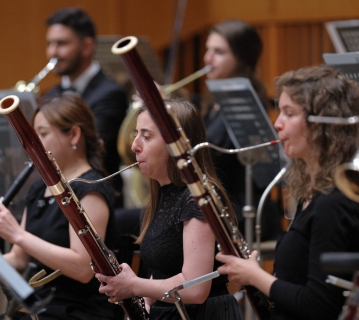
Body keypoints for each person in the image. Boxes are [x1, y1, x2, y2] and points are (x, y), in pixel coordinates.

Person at [216, 65, 359, 320]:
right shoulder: (311, 195)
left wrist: (255, 276)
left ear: (323, 126)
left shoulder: (333, 204)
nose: (276, 123)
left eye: (288, 113)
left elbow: (319, 306)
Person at [0, 95, 118, 320]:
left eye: (42, 134)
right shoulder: (38, 189)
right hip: (38, 308)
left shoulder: (90, 189)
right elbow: (19, 260)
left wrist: (18, 235)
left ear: (73, 134)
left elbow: (83, 269)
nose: (33, 143)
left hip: (76, 311)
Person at [95, 99, 243, 320]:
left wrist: (135, 285)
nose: (135, 145)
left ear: (176, 145)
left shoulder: (197, 198)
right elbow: (166, 268)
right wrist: (146, 300)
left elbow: (195, 289)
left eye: (146, 136)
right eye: (136, 134)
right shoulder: (164, 195)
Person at [200, 19, 282, 241]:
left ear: (241, 58)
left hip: (240, 211)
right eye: (208, 50)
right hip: (217, 205)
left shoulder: (245, 102)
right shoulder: (213, 101)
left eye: (218, 51)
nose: (208, 58)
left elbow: (210, 157)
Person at [44, 7, 129, 207]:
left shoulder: (110, 93)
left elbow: (91, 150)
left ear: (87, 47)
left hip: (97, 199)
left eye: (61, 44)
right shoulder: (51, 95)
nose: (52, 52)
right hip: (58, 199)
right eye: (49, 44)